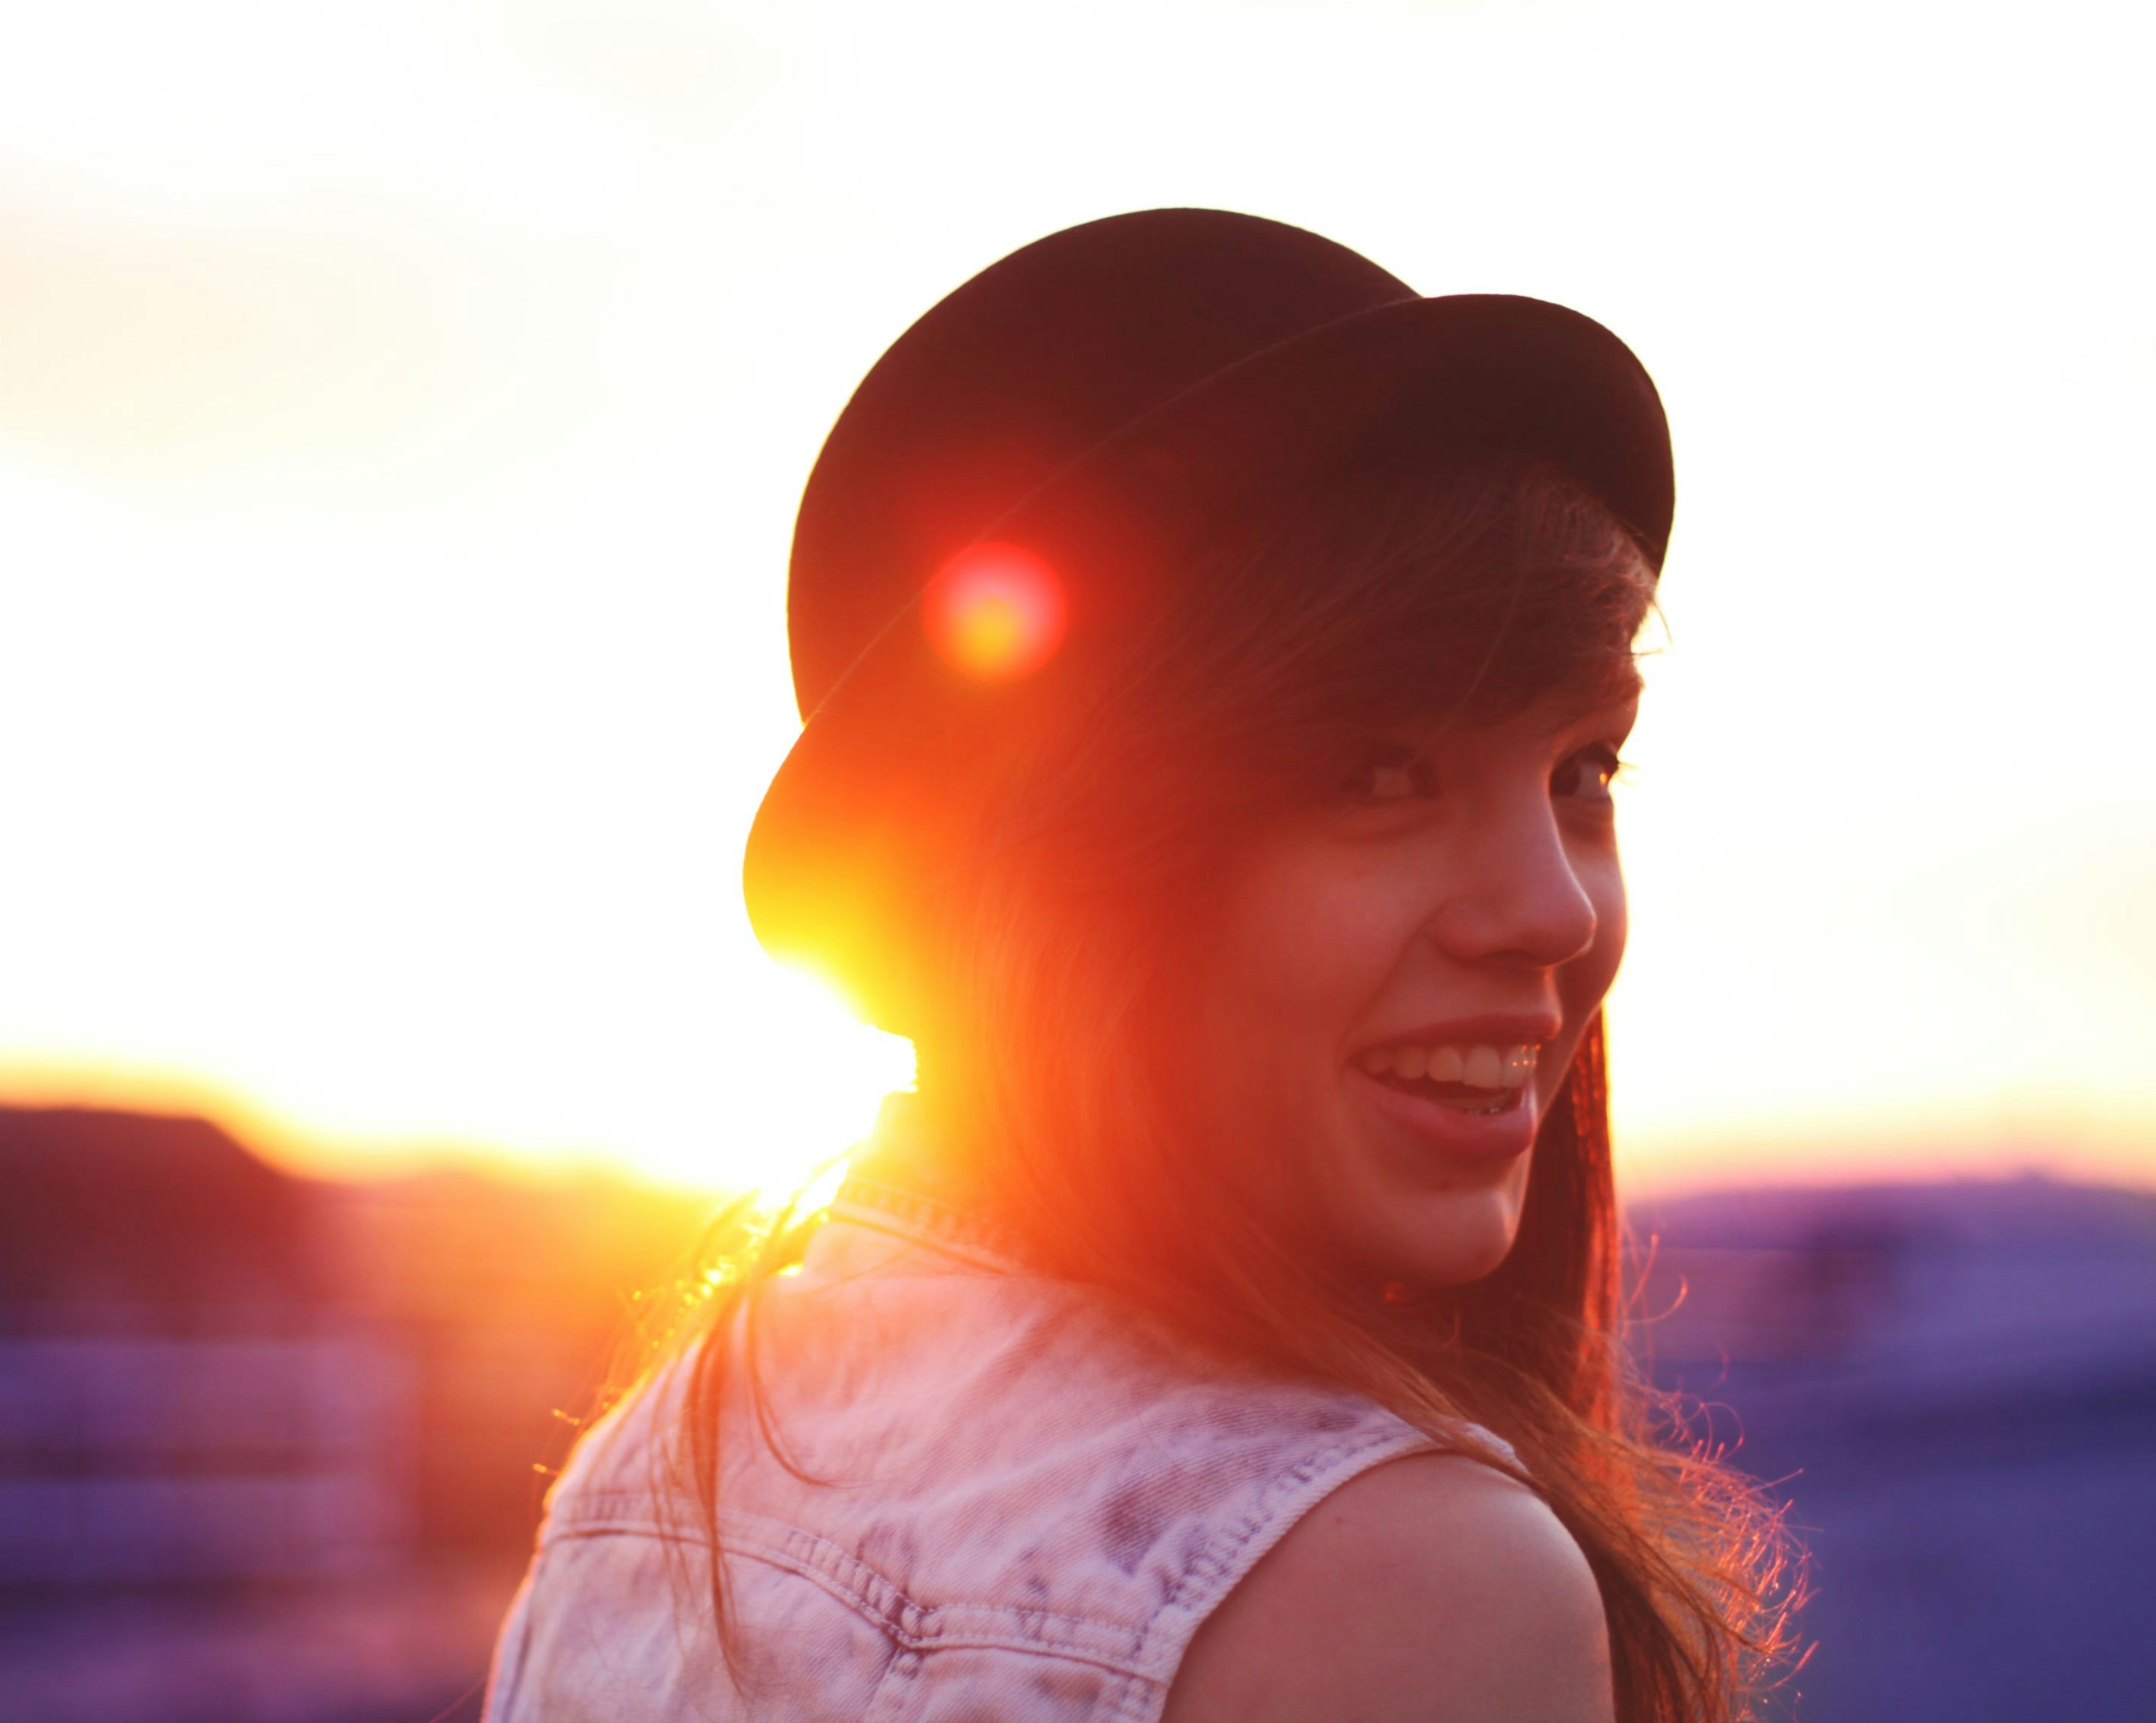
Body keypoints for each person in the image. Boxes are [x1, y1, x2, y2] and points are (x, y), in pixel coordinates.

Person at [482, 209, 1796, 1722]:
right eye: (1379, 774)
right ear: (1055, 871)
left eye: (1583, 770)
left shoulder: (651, 1474)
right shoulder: (1407, 1583)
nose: (1553, 911)